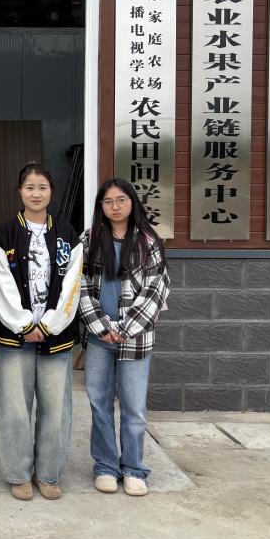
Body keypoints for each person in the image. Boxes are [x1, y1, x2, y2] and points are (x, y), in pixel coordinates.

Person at [0, 162, 84, 501]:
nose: (36, 193)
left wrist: (50, 324)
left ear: (51, 192)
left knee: (56, 409)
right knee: (14, 408)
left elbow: (73, 285)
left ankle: (48, 473)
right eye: (29, 187)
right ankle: (18, 473)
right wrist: (24, 324)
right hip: (16, 337)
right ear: (20, 192)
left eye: (42, 187)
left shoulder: (67, 234)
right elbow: (2, 283)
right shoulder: (5, 234)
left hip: (56, 336)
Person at [79, 177, 170, 497]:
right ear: (100, 206)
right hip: (99, 337)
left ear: (132, 203)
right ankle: (105, 466)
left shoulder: (148, 241)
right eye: (108, 201)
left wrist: (125, 327)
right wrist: (102, 326)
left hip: (136, 338)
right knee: (99, 403)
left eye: (121, 200)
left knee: (133, 407)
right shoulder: (89, 239)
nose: (114, 207)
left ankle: (133, 468)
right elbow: (79, 286)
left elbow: (157, 290)